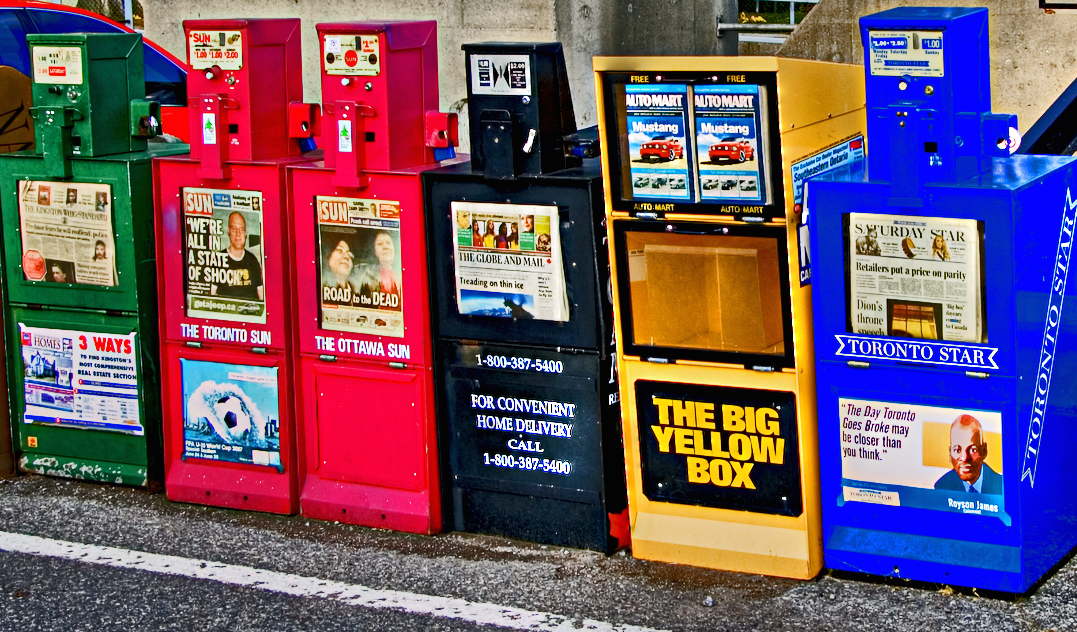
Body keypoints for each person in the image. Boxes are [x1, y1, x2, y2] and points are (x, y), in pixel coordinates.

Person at [934, 414, 1002, 494]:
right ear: (950, 454)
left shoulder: (1001, 486)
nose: (964, 458)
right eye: (957, 450)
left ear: (983, 451)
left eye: (972, 450)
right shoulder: (942, 486)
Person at [211, 211, 264, 301]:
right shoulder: (218, 260)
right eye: (234, 229)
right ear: (228, 231)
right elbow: (211, 296)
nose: (238, 234)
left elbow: (261, 295)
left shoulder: (253, 261)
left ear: (245, 233)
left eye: (241, 229)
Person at [356, 230, 401, 311]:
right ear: (374, 250)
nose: (385, 247)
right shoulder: (367, 277)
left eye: (388, 243)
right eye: (380, 244)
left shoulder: (403, 275)